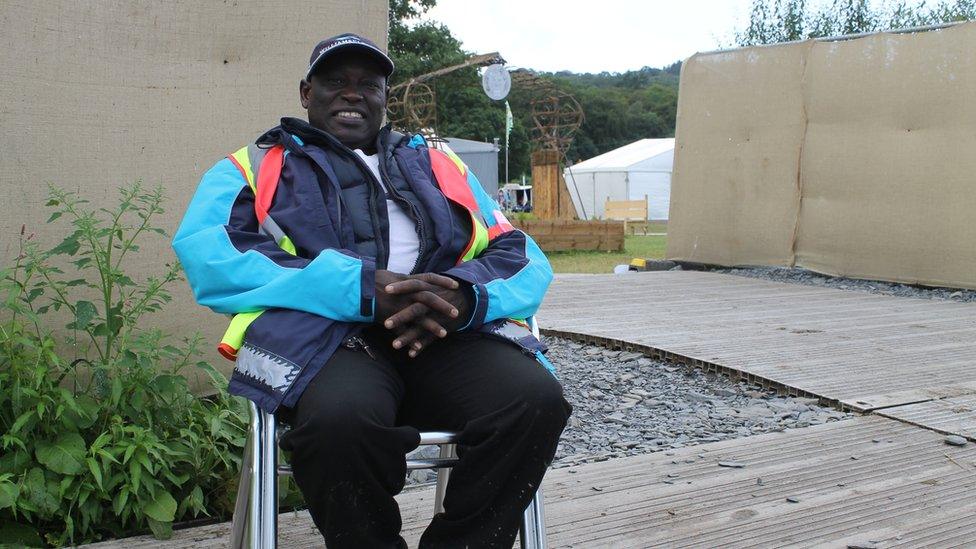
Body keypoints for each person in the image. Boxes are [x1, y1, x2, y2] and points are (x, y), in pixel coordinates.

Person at [172, 33, 571, 548]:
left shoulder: (438, 164)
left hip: (441, 334)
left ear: (386, 98)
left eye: (369, 85)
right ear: (305, 92)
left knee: (533, 399)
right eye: (336, 81)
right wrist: (360, 288)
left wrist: (463, 296)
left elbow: (519, 254)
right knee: (339, 424)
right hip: (328, 341)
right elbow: (214, 257)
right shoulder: (255, 166)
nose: (353, 94)